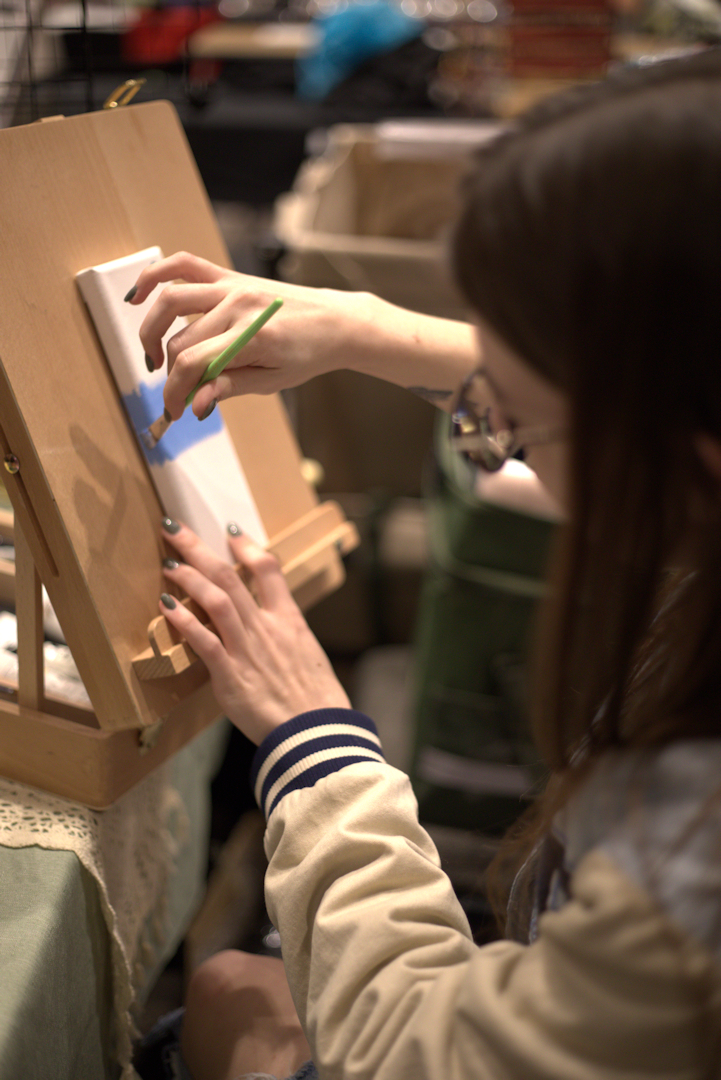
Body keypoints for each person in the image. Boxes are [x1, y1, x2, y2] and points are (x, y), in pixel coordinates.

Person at [130, 48, 721, 1080]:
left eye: (516, 413)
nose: (494, 426)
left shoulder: (693, 845)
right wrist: (365, 327)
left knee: (221, 999)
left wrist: (314, 741)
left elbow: (416, 1056)